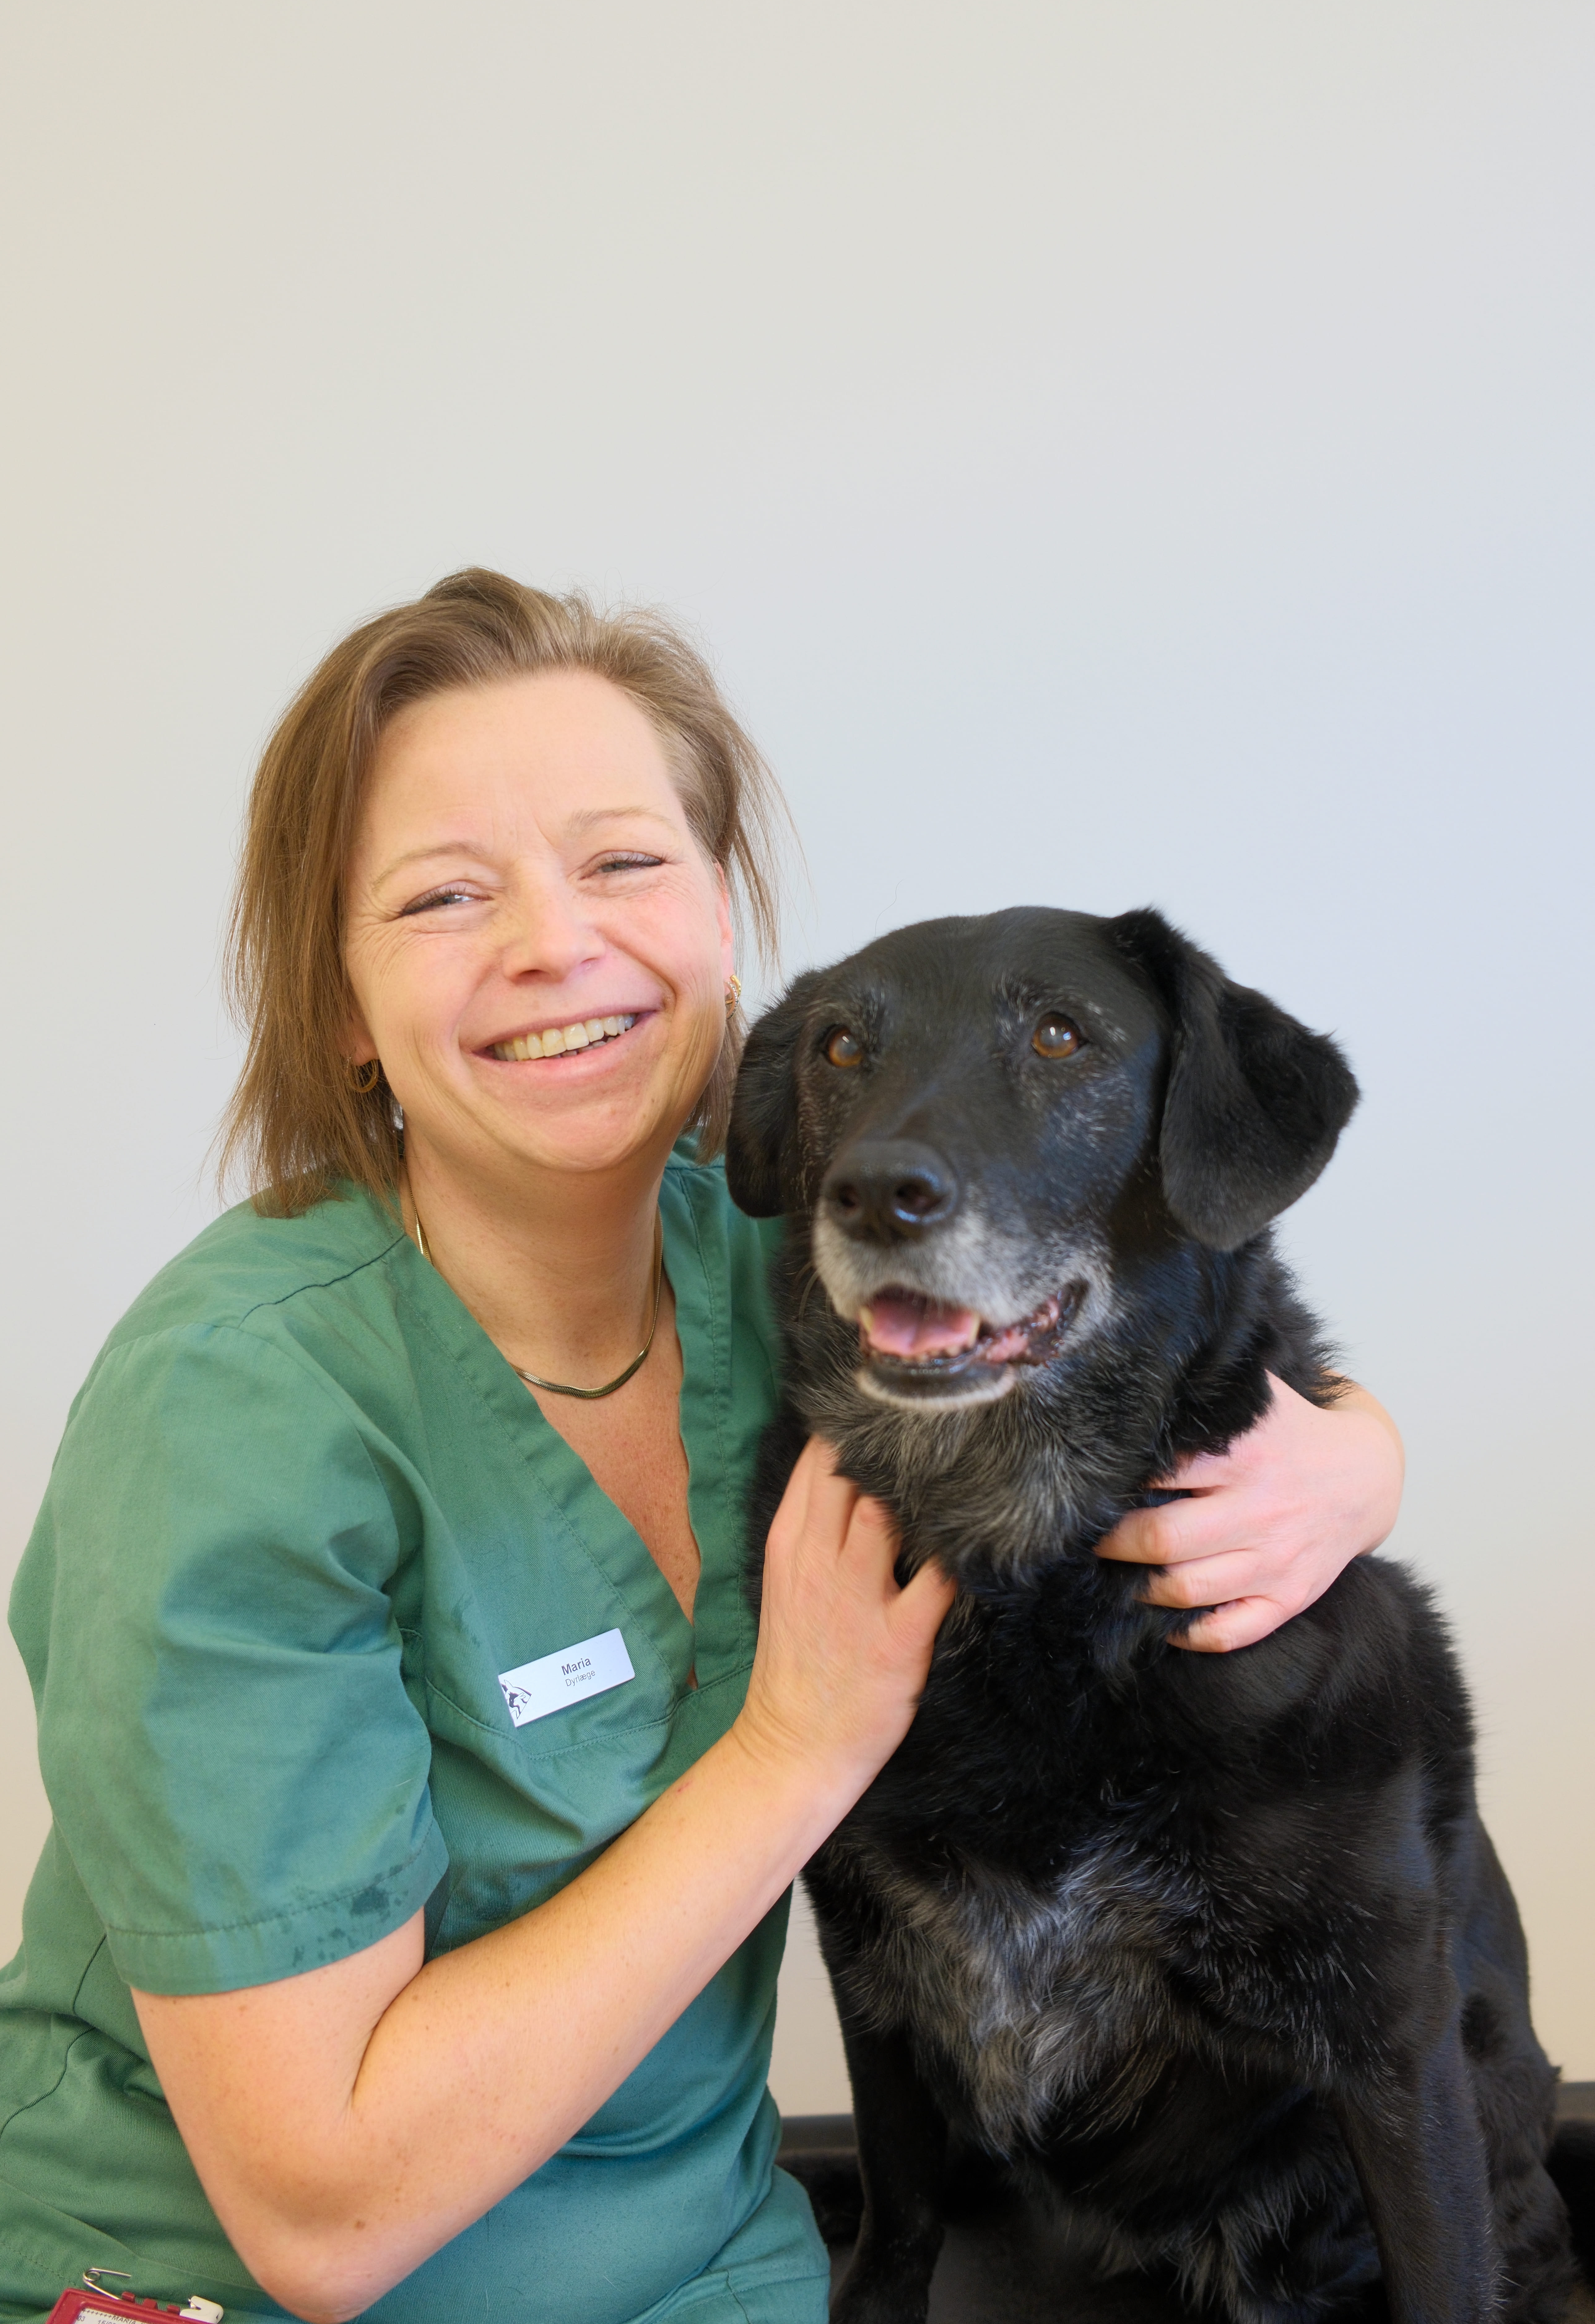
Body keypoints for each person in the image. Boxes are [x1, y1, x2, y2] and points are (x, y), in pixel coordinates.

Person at [0, 572, 1405, 2324]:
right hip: (228, 2288)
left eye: (623, 863)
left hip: (710, 2270)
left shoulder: (801, 1268)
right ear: (342, 1006)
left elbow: (1183, 1314)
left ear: (724, 919)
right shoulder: (229, 1419)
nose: (553, 944)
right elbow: (324, 2219)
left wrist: (1355, 1461)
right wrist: (791, 1753)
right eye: (445, 896)